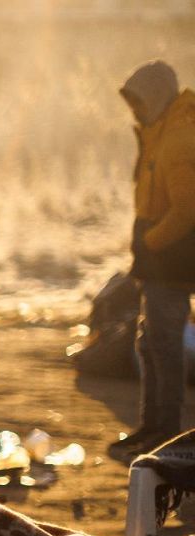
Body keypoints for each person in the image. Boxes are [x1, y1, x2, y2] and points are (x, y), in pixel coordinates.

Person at [110, 60, 195, 461]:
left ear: (157, 98)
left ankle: (166, 433)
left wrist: (152, 243)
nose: (135, 110)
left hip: (170, 263)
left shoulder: (177, 138)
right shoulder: (160, 131)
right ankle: (152, 427)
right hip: (159, 262)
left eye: (139, 101)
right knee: (151, 345)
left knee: (163, 347)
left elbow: (187, 207)